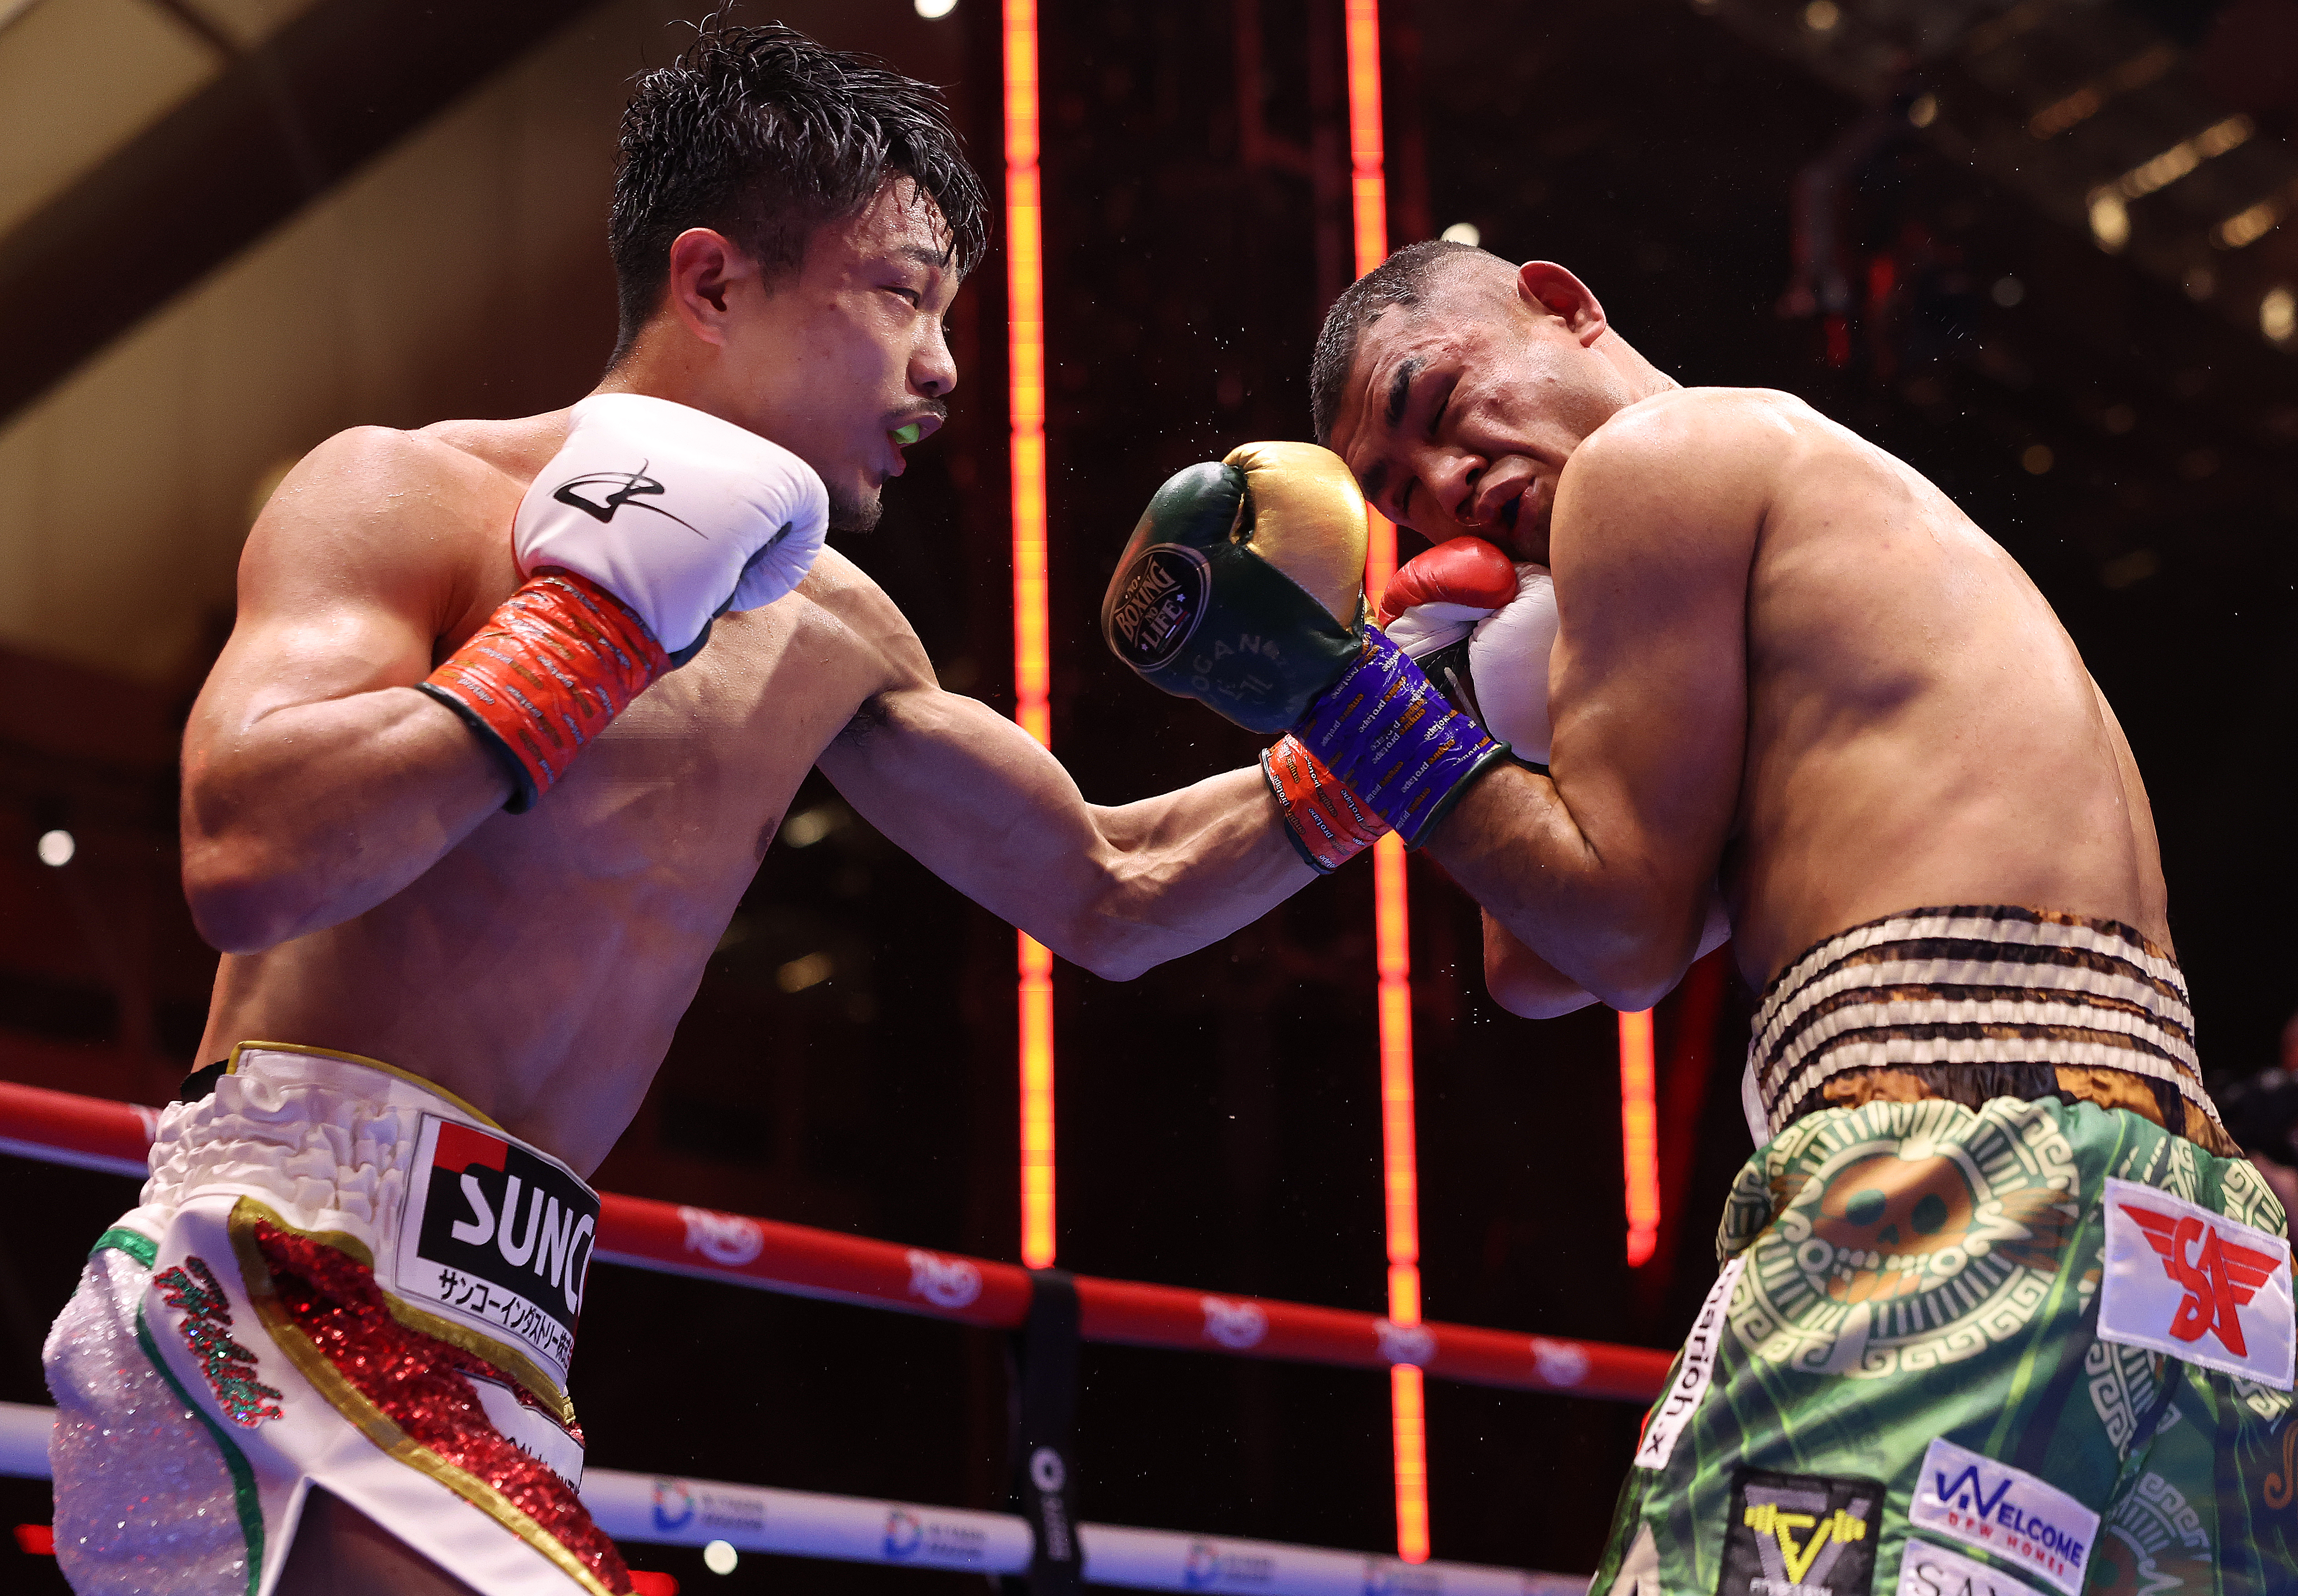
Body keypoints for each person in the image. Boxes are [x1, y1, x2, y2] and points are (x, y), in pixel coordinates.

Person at [41, 27, 1317, 1596]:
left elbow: (1117, 888)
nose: (944, 364)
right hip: (273, 1279)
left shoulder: (838, 628)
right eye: (900, 294)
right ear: (712, 283)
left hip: (503, 1352)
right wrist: (580, 631)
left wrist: (1393, 731)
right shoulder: (409, 493)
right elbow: (248, 855)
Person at [1108, 239, 2293, 1596]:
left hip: (1965, 1163)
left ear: (1562, 305)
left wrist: (1343, 697)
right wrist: (1464, 698)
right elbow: (1549, 964)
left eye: (1439, 411)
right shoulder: (1788, 512)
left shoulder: (1655, 457)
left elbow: (1616, 936)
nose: (1442, 488)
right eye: (1400, 496)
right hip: (2190, 1236)